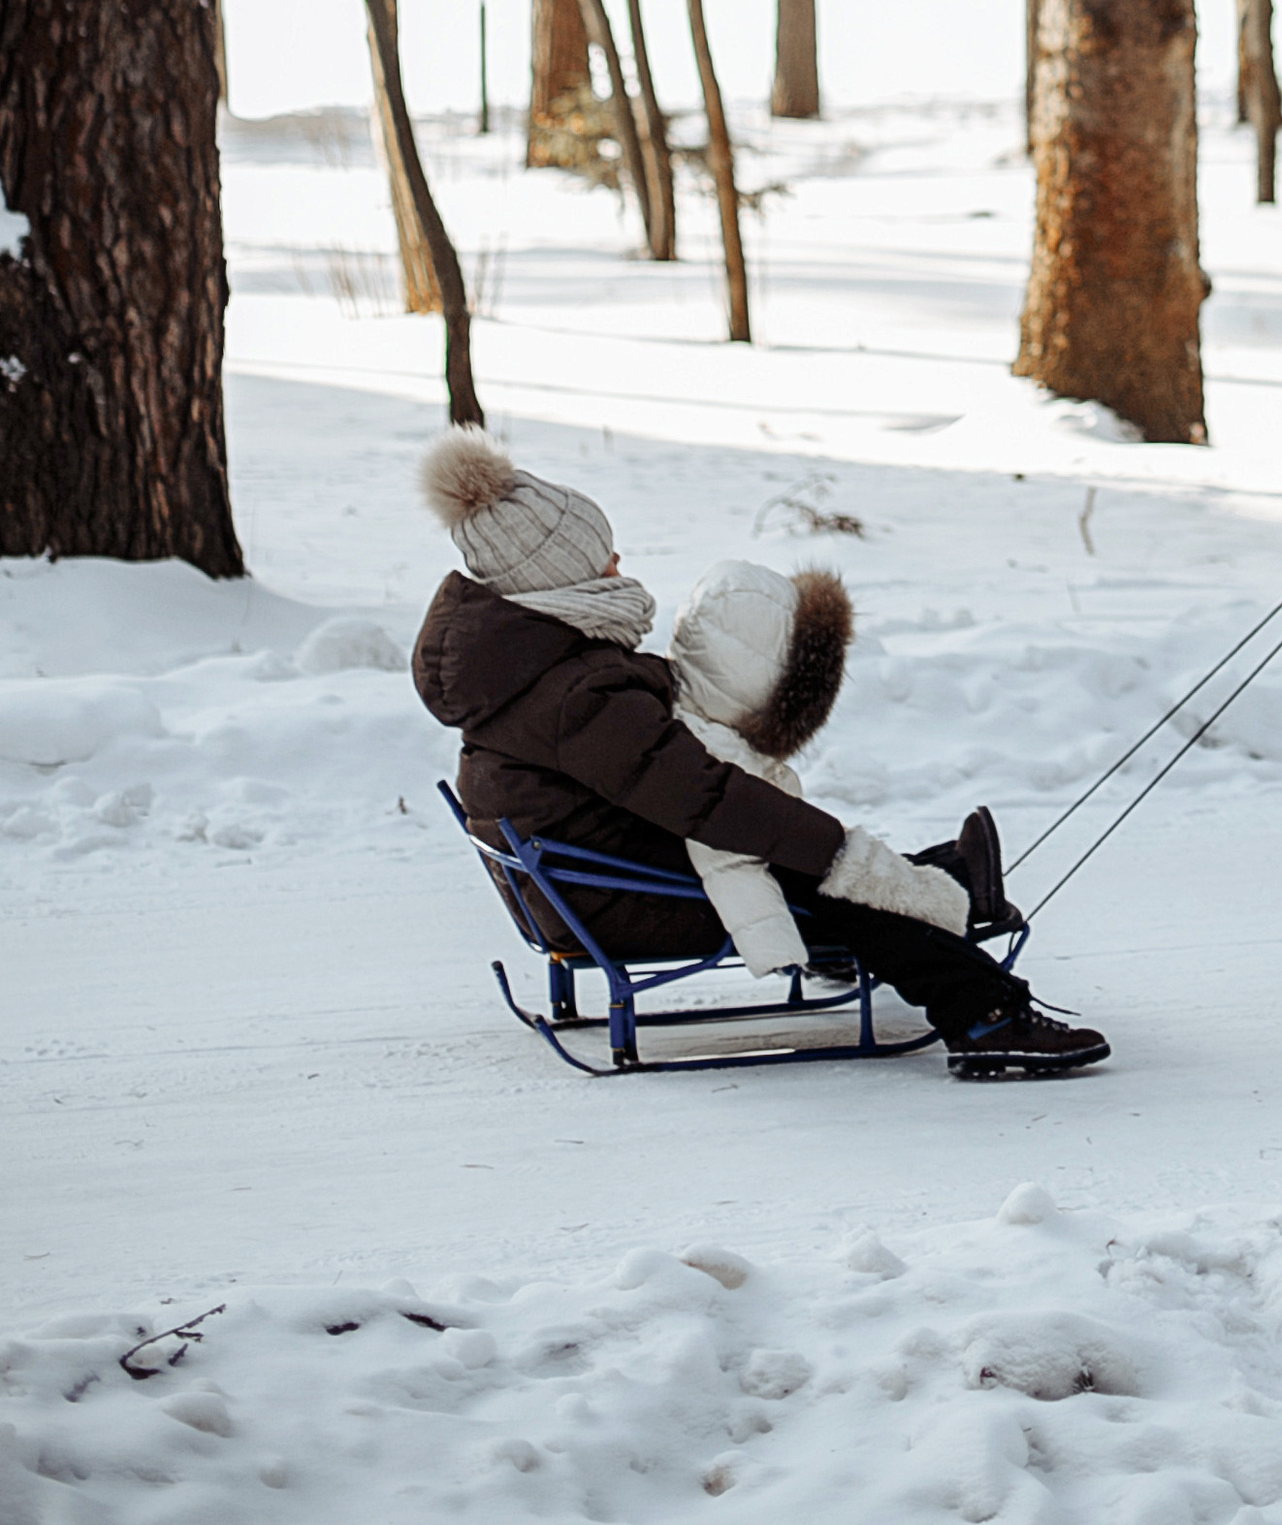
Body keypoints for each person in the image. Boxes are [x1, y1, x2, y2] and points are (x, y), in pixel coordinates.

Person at [413, 434, 1106, 1078]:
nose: (618, 564)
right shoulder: (575, 692)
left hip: (589, 878)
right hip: (619, 900)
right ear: (558, 575)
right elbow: (704, 797)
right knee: (824, 879)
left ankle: (946, 880)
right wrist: (835, 850)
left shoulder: (528, 667)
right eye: (602, 556)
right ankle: (985, 1017)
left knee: (805, 857)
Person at [662, 553, 1026, 971]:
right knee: (839, 865)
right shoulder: (715, 747)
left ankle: (948, 869)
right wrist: (784, 948)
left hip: (771, 868)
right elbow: (729, 863)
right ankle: (960, 891)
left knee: (834, 854)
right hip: (772, 891)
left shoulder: (697, 724)